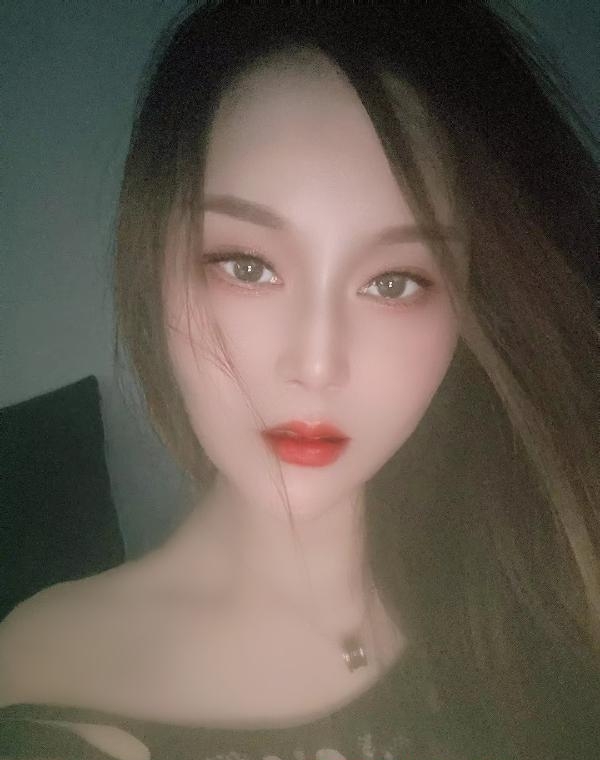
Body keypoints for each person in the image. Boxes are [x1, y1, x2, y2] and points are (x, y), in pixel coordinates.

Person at [1, 2, 599, 758]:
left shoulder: (549, 575)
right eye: (248, 267)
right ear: (153, 267)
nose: (316, 364)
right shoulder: (50, 685)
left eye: (393, 282)